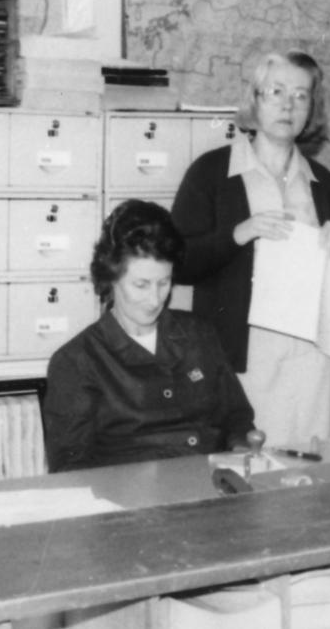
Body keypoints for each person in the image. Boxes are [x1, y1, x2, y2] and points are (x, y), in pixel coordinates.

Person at [171, 50, 330, 446]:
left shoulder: (323, 183)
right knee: (252, 469)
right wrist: (238, 234)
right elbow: (177, 261)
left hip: (315, 362)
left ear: (311, 109)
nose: (288, 105)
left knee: (316, 471)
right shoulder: (210, 173)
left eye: (301, 95)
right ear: (254, 99)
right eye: (276, 91)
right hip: (246, 361)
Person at [43, 199, 255, 472]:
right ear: (111, 279)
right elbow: (70, 470)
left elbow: (237, 418)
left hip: (211, 482)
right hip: (127, 493)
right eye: (141, 285)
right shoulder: (77, 361)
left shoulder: (199, 335)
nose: (155, 299)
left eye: (163, 283)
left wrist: (240, 451)